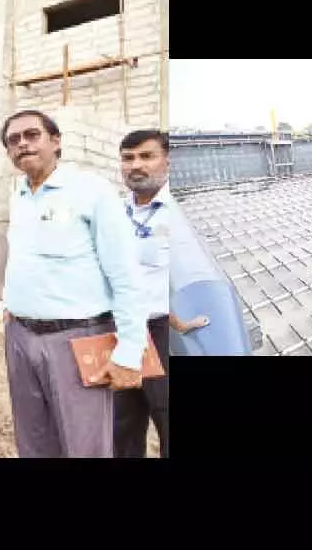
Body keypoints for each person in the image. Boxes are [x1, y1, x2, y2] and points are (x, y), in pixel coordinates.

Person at [0, 109, 147, 458]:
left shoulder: (90, 191)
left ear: (56, 141)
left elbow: (126, 274)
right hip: (20, 337)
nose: (22, 144)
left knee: (85, 446)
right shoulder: (19, 195)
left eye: (32, 135)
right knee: (34, 442)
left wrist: (129, 351)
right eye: (13, 140)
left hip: (78, 339)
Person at [115, 129, 173, 459]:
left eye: (146, 156)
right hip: (119, 330)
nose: (136, 165)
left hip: (162, 331)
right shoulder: (113, 213)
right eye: (128, 158)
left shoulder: (177, 213)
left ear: (167, 161)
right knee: (121, 425)